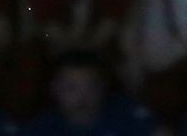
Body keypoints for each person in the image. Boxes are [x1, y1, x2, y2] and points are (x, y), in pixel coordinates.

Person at [20, 51, 157, 136]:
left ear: (103, 87)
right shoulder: (40, 128)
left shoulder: (125, 113)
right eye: (71, 88)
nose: (83, 97)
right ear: (54, 89)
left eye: (91, 87)